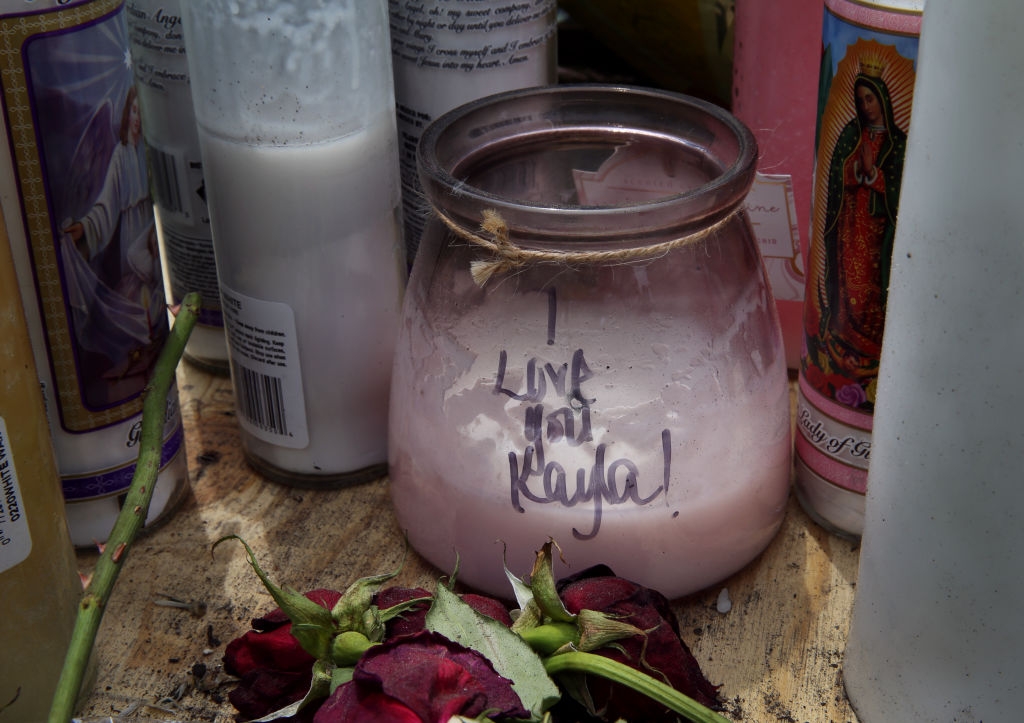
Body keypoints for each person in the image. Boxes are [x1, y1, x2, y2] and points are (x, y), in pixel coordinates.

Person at [806, 66, 908, 409]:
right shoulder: (852, 133)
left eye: (871, 98)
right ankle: (841, 341)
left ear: (883, 100)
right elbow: (837, 173)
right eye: (861, 99)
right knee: (849, 282)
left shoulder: (899, 141)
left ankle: (870, 351)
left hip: (879, 227)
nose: (866, 106)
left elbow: (899, 188)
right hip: (851, 222)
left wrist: (875, 173)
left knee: (871, 286)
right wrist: (854, 169)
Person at [61, 85, 165, 394]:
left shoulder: (148, 147)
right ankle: (132, 357)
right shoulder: (121, 155)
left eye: (141, 112)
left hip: (149, 230)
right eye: (133, 111)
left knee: (153, 295)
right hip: (130, 234)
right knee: (132, 296)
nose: (137, 118)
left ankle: (152, 355)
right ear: (126, 114)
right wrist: (85, 227)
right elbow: (106, 205)